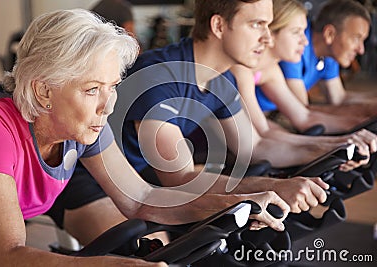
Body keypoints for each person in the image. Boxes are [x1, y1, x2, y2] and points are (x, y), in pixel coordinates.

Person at [0, 8, 290, 267]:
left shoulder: (81, 123)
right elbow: (7, 255)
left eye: (111, 87)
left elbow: (141, 198)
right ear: (44, 90)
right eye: (92, 89)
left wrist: (236, 205)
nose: (108, 105)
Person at [110, 0, 332, 216]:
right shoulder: (158, 75)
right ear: (218, 26)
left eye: (267, 25)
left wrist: (333, 148)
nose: (267, 39)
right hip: (101, 182)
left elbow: (255, 146)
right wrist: (273, 186)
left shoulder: (221, 80)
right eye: (256, 24)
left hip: (144, 180)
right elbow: (180, 177)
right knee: (158, 249)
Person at [229, 0, 377, 169]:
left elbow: (304, 116)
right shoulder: (242, 70)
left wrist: (347, 138)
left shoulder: (272, 70)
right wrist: (331, 145)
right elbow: (262, 134)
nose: (305, 41)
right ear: (271, 35)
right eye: (296, 32)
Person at [278, 0, 377, 120]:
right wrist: (367, 110)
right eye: (356, 38)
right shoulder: (295, 45)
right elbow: (302, 111)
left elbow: (338, 98)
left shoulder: (329, 54)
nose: (361, 50)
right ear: (330, 34)